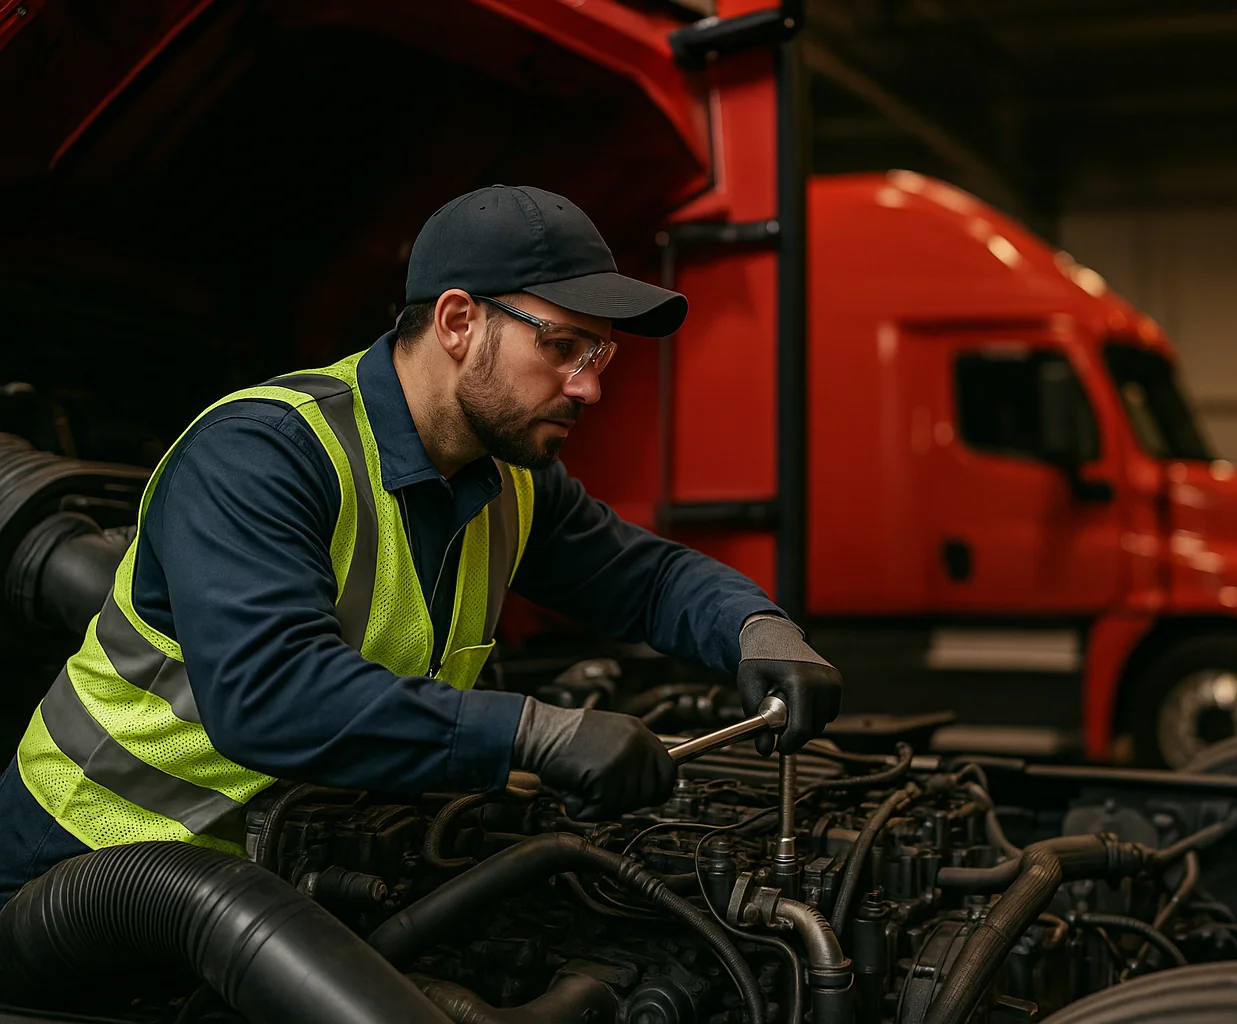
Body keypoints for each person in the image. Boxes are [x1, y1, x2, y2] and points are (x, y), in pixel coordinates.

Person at [0, 185, 842, 902]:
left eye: (601, 353)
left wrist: (755, 630)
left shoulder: (509, 474)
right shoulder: (264, 452)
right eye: (562, 346)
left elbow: (645, 579)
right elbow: (272, 696)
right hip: (87, 870)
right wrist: (534, 734)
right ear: (457, 320)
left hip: (290, 875)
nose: (588, 384)